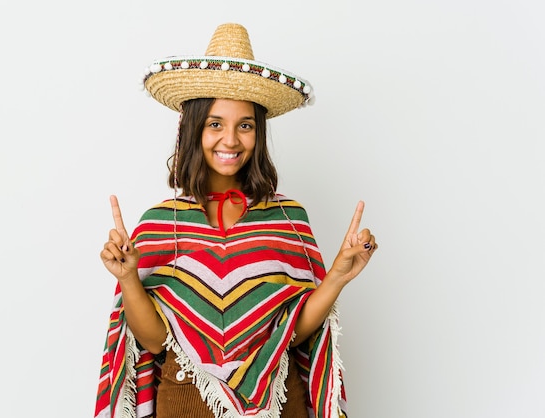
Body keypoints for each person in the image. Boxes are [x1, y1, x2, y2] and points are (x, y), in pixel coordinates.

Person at [94, 23, 377, 418]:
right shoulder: (161, 222)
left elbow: (293, 334)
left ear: (258, 133)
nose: (230, 139)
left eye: (244, 125)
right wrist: (127, 278)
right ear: (192, 130)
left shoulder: (287, 217)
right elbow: (155, 342)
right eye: (215, 124)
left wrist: (338, 277)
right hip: (184, 405)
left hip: (277, 406)